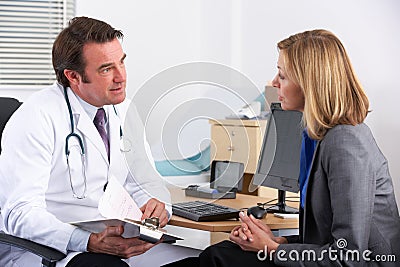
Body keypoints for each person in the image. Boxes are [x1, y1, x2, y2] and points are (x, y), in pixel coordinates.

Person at [164, 29, 400, 266]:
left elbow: (349, 256)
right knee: (225, 250)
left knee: (220, 258)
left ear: (310, 84)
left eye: (282, 75)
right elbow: (322, 239)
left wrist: (273, 248)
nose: (274, 83)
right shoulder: (318, 137)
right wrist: (274, 242)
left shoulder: (346, 143)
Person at [0, 17, 200, 267]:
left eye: (122, 62)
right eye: (106, 69)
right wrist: (87, 241)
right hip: (53, 249)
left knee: (205, 261)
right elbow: (19, 214)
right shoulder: (36, 116)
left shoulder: (124, 109)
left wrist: (157, 206)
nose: (121, 77)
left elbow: (144, 181)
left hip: (117, 241)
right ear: (73, 76)